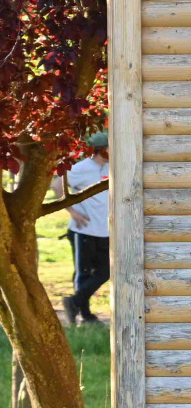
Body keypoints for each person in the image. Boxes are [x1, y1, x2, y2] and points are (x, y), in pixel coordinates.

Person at [52, 132, 109, 326]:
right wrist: (73, 212)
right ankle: (85, 317)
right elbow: (56, 185)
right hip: (82, 230)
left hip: (105, 231)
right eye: (110, 147)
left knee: (105, 272)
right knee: (83, 273)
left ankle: (74, 303)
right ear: (101, 149)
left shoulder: (111, 168)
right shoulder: (81, 168)